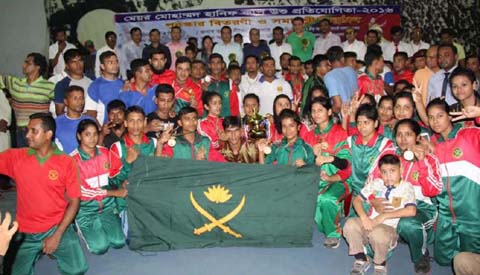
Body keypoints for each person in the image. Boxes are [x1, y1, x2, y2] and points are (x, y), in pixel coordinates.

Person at [0, 113, 88, 275]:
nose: (27, 135)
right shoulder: (16, 157)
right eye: (28, 130)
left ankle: (56, 246)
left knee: (78, 270)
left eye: (34, 131)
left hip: (56, 227)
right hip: (24, 231)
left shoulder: (66, 162)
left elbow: (75, 201)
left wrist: (57, 235)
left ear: (48, 135)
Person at [368, 119, 442, 274]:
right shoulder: (389, 154)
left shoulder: (429, 158)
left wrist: (421, 162)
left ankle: (420, 257)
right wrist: (373, 200)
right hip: (394, 203)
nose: (403, 139)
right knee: (371, 243)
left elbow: (433, 191)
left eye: (408, 134)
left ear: (417, 137)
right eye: (399, 134)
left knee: (407, 224)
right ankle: (393, 239)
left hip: (422, 207)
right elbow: (372, 179)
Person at [426, 98, 480, 267]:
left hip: (472, 215)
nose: (435, 121)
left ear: (450, 116)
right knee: (442, 260)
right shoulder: (432, 145)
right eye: (431, 117)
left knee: (466, 260)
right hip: (447, 215)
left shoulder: (468, 134)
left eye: (440, 116)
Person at [343, 154, 416, 275]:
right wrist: (363, 217)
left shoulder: (406, 187)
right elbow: (357, 200)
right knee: (350, 225)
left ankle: (380, 264)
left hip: (388, 229)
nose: (388, 176)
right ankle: (361, 258)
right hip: (369, 223)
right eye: (384, 172)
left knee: (378, 234)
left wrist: (383, 216)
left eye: (392, 171)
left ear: (401, 170)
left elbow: (411, 211)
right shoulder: (377, 183)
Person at [301, 97, 351, 249]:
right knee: (315, 210)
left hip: (338, 180)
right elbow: (306, 163)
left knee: (326, 199)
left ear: (329, 112)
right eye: (313, 111)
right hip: (316, 180)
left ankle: (333, 234)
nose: (316, 114)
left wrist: (329, 158)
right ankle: (331, 218)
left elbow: (345, 164)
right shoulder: (308, 136)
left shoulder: (339, 132)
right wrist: (313, 156)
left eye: (320, 110)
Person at [71, 119, 127, 255]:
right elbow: (83, 191)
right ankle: (80, 225)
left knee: (119, 242)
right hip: (87, 210)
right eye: (87, 134)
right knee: (100, 248)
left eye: (95, 134)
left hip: (107, 207)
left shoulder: (105, 153)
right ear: (79, 136)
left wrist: (123, 181)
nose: (92, 138)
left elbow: (117, 173)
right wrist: (114, 193)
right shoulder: (73, 160)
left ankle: (103, 225)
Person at [109, 106, 163, 234]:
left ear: (145, 122)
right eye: (131, 121)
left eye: (139, 121)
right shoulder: (118, 147)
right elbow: (112, 182)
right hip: (128, 200)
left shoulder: (155, 143)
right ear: (126, 123)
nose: (135, 125)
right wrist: (127, 162)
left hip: (151, 196)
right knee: (132, 235)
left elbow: (161, 172)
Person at [4, 53, 54, 147]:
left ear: (37, 67)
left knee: (38, 160)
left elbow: (61, 104)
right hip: (21, 131)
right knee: (23, 159)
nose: (24, 65)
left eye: (28, 63)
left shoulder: (49, 86)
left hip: (39, 131)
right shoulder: (15, 83)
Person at [347, 104, 393, 196]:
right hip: (352, 189)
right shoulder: (350, 141)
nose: (362, 126)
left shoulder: (385, 145)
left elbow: (387, 173)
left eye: (366, 122)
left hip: (375, 191)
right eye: (359, 123)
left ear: (375, 123)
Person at [159, 106, 225, 161]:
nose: (192, 122)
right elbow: (161, 164)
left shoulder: (205, 141)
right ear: (180, 123)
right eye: (187, 119)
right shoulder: (173, 142)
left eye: (194, 118)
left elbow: (220, 162)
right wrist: (160, 143)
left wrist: (204, 162)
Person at [86, 51, 123, 125]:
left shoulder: (122, 83)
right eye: (110, 62)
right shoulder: (95, 86)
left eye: (116, 62)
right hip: (105, 129)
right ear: (102, 66)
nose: (115, 65)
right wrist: (100, 131)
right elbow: (91, 113)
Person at [55, 85, 93, 154]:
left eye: (81, 98)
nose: (80, 102)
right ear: (66, 101)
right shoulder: (56, 123)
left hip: (87, 162)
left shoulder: (90, 121)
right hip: (65, 162)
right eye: (75, 98)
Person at [54, 49, 92, 116]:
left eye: (80, 60)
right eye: (73, 62)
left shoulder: (92, 80)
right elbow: (59, 112)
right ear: (67, 66)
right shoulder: (62, 85)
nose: (78, 65)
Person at [324, 46, 358, 114]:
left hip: (343, 116)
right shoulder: (351, 70)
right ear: (342, 59)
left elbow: (338, 105)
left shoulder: (329, 76)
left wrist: (329, 113)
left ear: (329, 62)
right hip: (355, 112)